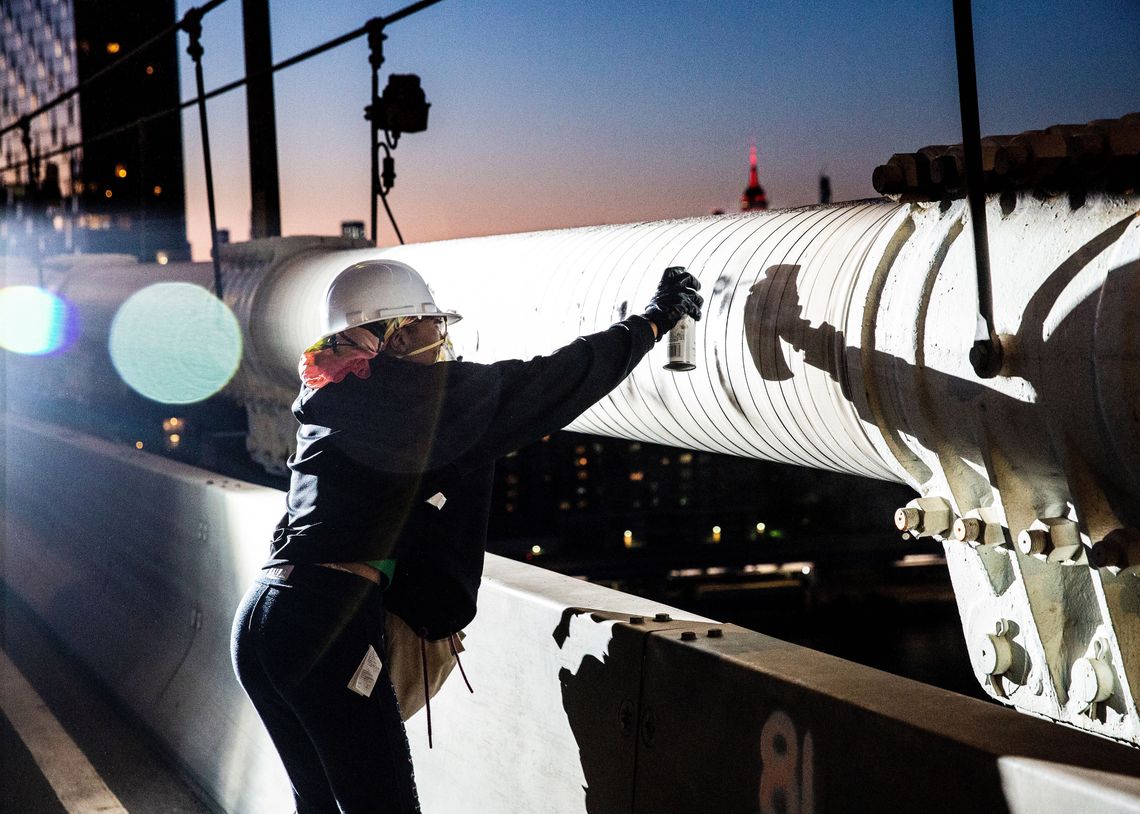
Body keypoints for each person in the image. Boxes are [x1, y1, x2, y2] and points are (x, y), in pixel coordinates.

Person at [230, 259, 703, 813]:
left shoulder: (329, 396)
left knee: (315, 805)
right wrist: (650, 323)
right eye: (433, 325)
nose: (443, 338)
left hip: (262, 620)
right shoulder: (426, 400)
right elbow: (555, 381)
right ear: (397, 332)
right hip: (324, 628)